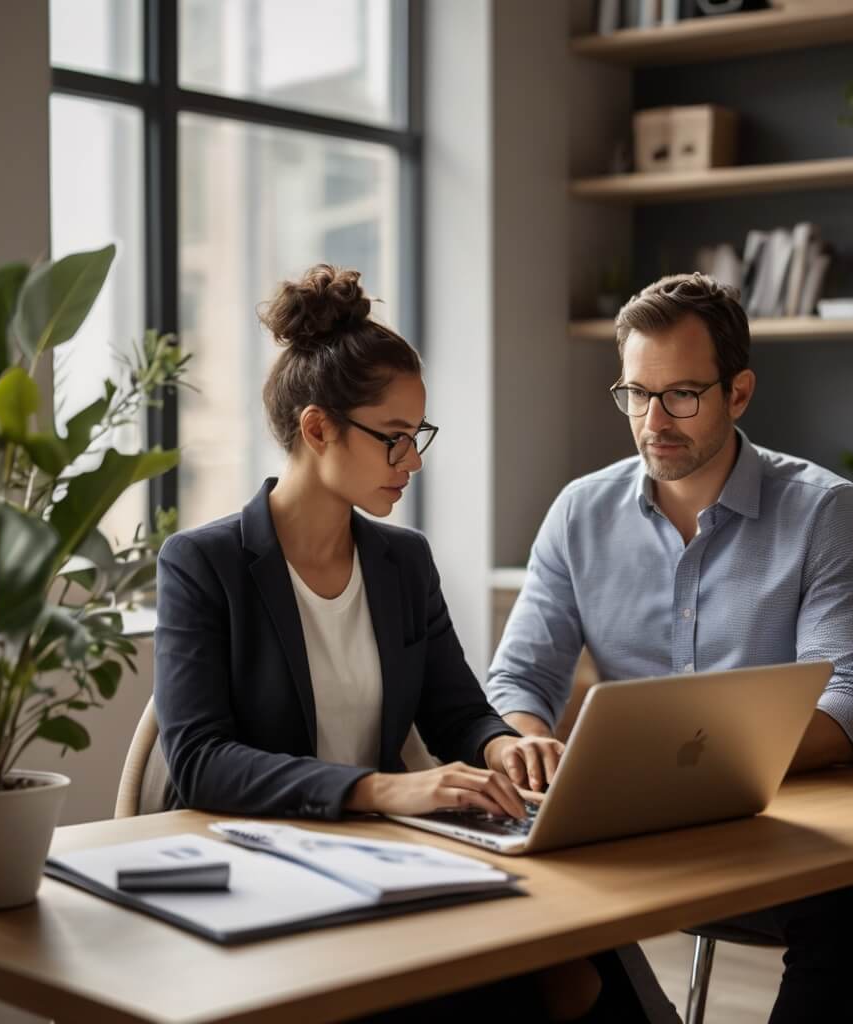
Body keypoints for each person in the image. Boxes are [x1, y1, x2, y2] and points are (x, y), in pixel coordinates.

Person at [154, 264, 644, 1021]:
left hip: (384, 852)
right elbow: (200, 762)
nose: (413, 461)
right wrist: (381, 788)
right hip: (262, 867)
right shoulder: (203, 564)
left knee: (584, 948)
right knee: (533, 977)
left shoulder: (401, 560)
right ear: (317, 429)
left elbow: (457, 709)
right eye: (394, 439)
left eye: (418, 437)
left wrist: (499, 747)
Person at [486, 272, 853, 1024]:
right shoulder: (578, 513)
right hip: (627, 821)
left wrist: (717, 767)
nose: (655, 420)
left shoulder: (824, 511)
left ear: (738, 393)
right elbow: (520, 678)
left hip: (786, 821)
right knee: (512, 906)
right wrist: (525, 745)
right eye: (636, 394)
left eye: (682, 394)